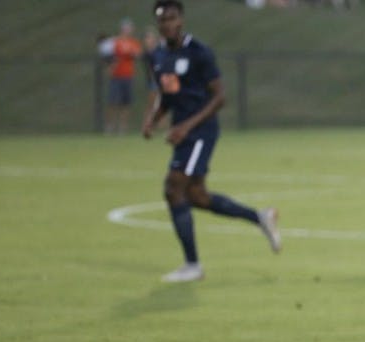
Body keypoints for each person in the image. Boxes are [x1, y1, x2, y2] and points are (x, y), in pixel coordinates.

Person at [142, 0, 281, 282]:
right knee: (197, 196)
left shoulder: (199, 52)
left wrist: (185, 127)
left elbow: (219, 97)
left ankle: (192, 265)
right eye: (162, 20)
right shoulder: (158, 56)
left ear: (180, 20)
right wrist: (154, 119)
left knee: (173, 188)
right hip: (183, 134)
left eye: (172, 18)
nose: (167, 24)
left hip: (200, 131)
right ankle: (260, 217)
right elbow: (168, 95)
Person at [104, 18, 143, 134]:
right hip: (116, 76)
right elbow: (108, 56)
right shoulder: (115, 42)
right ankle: (110, 126)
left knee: (126, 103)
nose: (128, 30)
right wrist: (110, 67)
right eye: (126, 28)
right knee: (113, 102)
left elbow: (138, 54)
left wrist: (131, 53)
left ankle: (123, 127)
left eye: (129, 28)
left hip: (128, 76)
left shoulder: (134, 42)